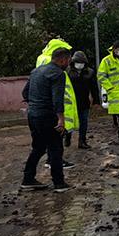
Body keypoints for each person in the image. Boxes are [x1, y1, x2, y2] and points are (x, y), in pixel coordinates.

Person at [21, 47, 72, 192]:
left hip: (33, 115)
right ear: (62, 59)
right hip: (47, 117)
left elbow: (24, 92)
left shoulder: (36, 71)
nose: (68, 63)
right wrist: (61, 120)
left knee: (38, 147)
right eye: (68, 60)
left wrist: (34, 104)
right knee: (55, 148)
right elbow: (57, 100)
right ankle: (59, 183)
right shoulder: (58, 74)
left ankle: (28, 178)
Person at [36, 39, 78, 169]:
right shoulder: (51, 64)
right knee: (56, 135)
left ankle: (52, 159)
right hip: (57, 104)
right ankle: (55, 162)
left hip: (47, 104)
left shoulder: (42, 59)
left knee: (52, 137)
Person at [67, 51, 99, 149]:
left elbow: (94, 87)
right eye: (78, 62)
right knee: (69, 122)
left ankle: (82, 141)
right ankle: (67, 137)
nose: (80, 64)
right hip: (71, 102)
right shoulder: (67, 71)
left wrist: (96, 100)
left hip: (84, 101)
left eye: (82, 62)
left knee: (83, 122)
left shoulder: (90, 72)